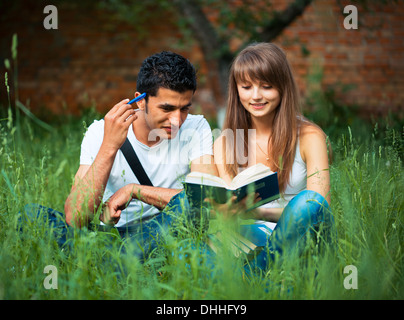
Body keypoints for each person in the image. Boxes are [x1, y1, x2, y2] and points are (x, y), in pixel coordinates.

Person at [20, 51, 217, 260]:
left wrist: (135, 190)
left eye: (184, 109)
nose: (177, 120)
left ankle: (111, 262)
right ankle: (122, 260)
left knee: (190, 205)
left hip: (166, 233)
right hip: (114, 236)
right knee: (32, 216)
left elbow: (206, 201)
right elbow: (75, 218)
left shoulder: (196, 127)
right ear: (140, 101)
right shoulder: (99, 132)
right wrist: (110, 145)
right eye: (167, 108)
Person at [212, 42, 334, 271]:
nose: (256, 96)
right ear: (236, 89)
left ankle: (256, 278)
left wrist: (259, 211)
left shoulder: (309, 136)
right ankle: (255, 277)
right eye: (246, 87)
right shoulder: (225, 143)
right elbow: (231, 212)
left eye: (266, 86)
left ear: (282, 87)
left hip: (306, 236)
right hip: (252, 234)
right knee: (200, 250)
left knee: (307, 203)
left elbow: (319, 208)